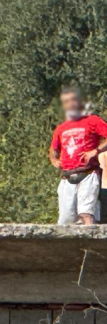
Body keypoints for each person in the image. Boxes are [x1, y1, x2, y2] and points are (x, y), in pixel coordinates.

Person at [50, 87, 107, 225]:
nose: (70, 104)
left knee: (86, 213)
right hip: (67, 176)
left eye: (73, 100)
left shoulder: (93, 120)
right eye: (66, 101)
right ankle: (67, 247)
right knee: (65, 219)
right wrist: (54, 159)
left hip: (88, 173)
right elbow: (53, 149)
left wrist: (96, 151)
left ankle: (91, 246)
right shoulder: (62, 127)